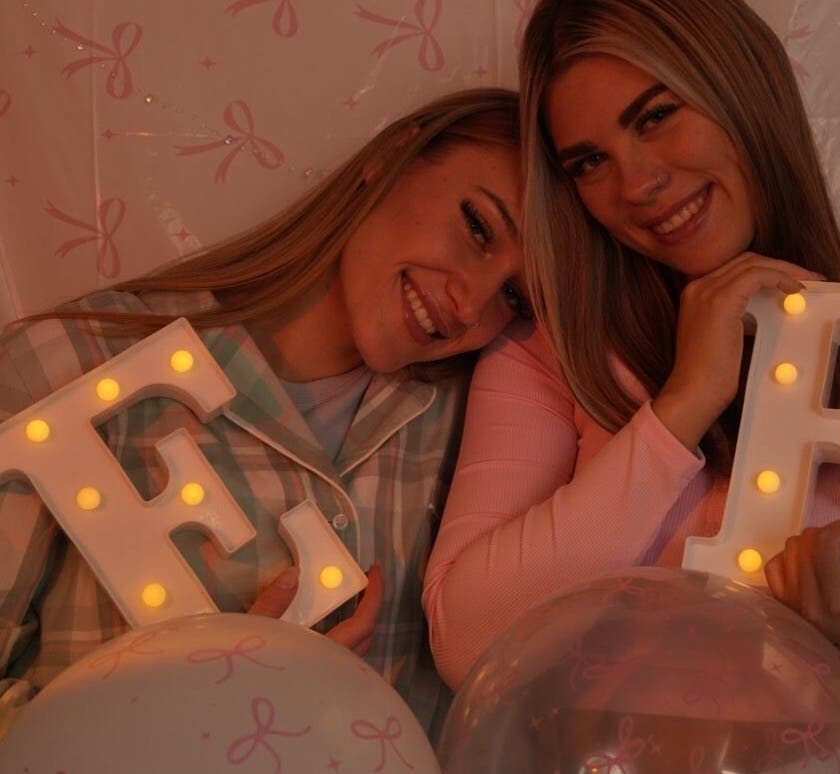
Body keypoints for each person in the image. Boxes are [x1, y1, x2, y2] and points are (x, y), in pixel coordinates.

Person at [421, 2, 840, 771]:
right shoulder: (553, 355)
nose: (638, 184)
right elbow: (466, 641)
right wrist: (682, 407)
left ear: (742, 91)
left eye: (656, 117)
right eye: (589, 162)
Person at [0, 87, 530, 738]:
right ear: (393, 157)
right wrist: (190, 722)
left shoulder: (479, 430)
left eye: (515, 296)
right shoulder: (75, 368)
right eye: (478, 227)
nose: (471, 306)